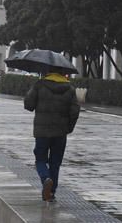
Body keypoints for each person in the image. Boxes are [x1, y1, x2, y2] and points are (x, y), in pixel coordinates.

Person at [24, 68, 80, 202]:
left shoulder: (39, 85)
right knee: (55, 162)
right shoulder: (70, 88)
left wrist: (32, 89)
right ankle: (51, 192)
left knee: (40, 160)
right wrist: (69, 128)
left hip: (42, 132)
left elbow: (28, 105)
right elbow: (75, 111)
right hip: (60, 132)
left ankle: (45, 179)